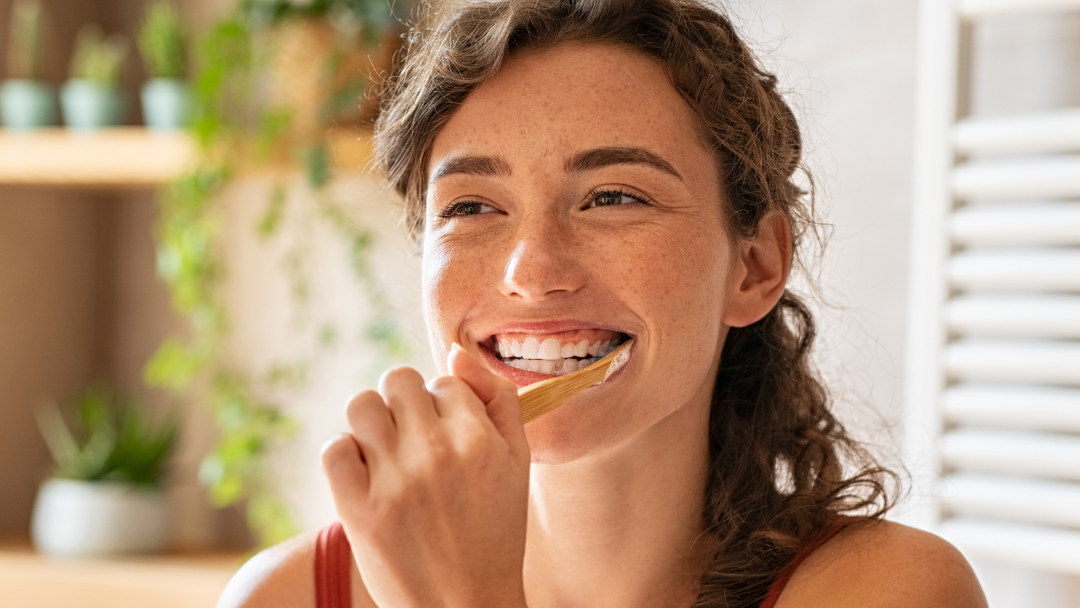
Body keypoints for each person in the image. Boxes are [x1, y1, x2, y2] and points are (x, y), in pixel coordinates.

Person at [219, 0, 988, 606]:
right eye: (472, 207)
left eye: (613, 196)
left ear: (753, 266)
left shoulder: (892, 594)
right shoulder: (281, 599)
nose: (532, 271)